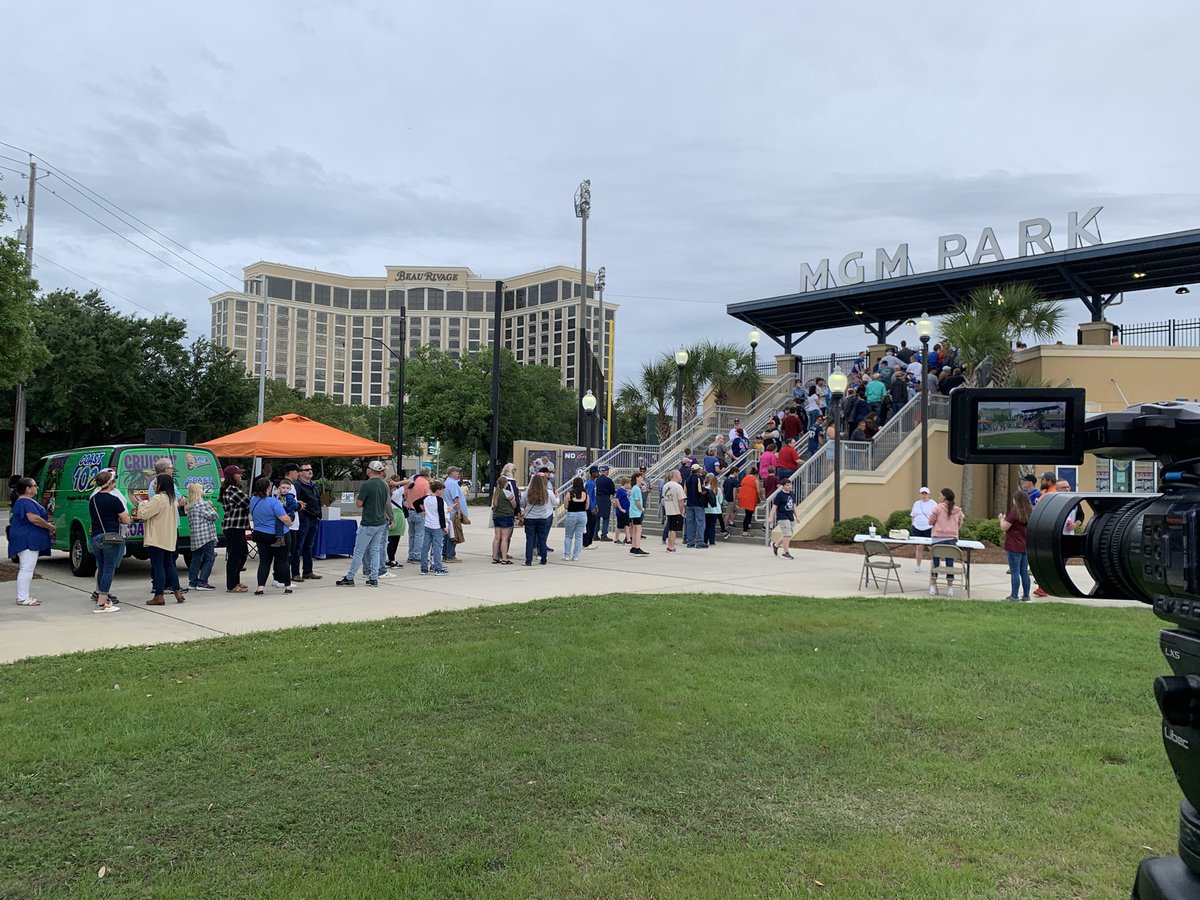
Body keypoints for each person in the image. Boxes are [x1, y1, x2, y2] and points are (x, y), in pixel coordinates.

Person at [336, 460, 389, 587]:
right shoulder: (384, 485)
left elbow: (358, 504)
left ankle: (350, 577)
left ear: (370, 470)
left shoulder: (367, 485)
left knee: (359, 551)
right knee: (375, 550)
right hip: (380, 521)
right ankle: (374, 577)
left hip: (368, 522)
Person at [138, 473, 187, 605]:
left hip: (156, 537)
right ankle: (177, 591)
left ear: (161, 485)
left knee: (158, 566)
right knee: (169, 564)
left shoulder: (157, 499)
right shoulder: (172, 499)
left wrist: (142, 504)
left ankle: (159, 595)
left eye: (155, 483)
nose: (153, 486)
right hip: (169, 537)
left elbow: (143, 514)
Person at [89, 470, 130, 613]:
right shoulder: (114, 499)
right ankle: (101, 603)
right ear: (110, 483)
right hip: (111, 537)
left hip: (96, 537)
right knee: (108, 569)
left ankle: (101, 598)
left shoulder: (93, 499)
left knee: (101, 567)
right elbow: (126, 519)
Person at [9, 476, 54, 606]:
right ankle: (23, 597)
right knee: (26, 568)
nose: (37, 487)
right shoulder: (25, 502)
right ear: (28, 489)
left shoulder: (24, 501)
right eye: (34, 485)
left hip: (26, 537)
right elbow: (34, 518)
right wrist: (49, 526)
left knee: (27, 568)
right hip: (27, 539)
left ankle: (23, 596)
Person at [249, 475, 293, 595]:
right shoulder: (274, 502)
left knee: (264, 561)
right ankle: (287, 586)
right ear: (269, 488)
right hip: (277, 535)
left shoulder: (253, 500)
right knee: (282, 560)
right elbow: (284, 519)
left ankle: (260, 587)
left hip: (260, 533)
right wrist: (290, 522)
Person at [927, 487, 964, 596]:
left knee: (935, 563)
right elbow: (960, 523)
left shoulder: (937, 508)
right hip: (951, 540)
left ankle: (933, 586)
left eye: (940, 495)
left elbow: (930, 522)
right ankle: (950, 588)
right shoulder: (958, 510)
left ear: (944, 497)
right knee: (949, 563)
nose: (939, 497)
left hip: (937, 540)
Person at [219, 466, 250, 593]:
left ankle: (235, 581)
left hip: (237, 526)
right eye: (238, 474)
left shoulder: (230, 489)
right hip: (234, 526)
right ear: (232, 476)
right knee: (235, 556)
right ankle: (231, 585)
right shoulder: (232, 490)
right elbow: (248, 502)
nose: (241, 476)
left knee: (242, 553)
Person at [1000, 489, 1033, 601]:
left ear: (1016, 500)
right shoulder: (1030, 512)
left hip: (1013, 545)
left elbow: (1004, 527)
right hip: (1025, 546)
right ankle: (1026, 595)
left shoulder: (1015, 512)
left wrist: (1001, 519)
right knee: (1024, 571)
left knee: (1015, 571)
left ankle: (1014, 596)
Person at [185, 482, 218, 591]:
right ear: (199, 492)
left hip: (195, 536)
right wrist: (210, 506)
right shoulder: (202, 504)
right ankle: (202, 582)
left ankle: (192, 582)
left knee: (196, 559)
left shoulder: (189, 505)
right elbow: (214, 516)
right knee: (210, 558)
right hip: (206, 535)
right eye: (202, 489)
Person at [293, 462, 323, 582]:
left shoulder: (314, 485)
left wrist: (319, 514)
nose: (310, 471)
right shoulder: (297, 485)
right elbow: (295, 502)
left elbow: (318, 500)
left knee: (309, 546)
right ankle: (295, 573)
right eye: (306, 470)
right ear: (300, 473)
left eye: (310, 469)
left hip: (314, 518)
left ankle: (308, 571)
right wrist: (302, 516)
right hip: (304, 518)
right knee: (298, 546)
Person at [521, 471, 557, 565]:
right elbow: (555, 503)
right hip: (542, 517)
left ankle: (528, 560)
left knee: (530, 539)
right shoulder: (547, 492)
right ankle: (543, 559)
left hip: (530, 518)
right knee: (542, 539)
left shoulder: (528, 492)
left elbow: (522, 503)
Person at [420, 480, 450, 576]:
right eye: (442, 490)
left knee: (425, 546)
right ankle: (438, 568)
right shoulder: (440, 500)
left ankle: (423, 568)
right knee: (437, 547)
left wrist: (421, 511)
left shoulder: (426, 498)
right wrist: (444, 526)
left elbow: (416, 503)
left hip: (428, 525)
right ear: (438, 490)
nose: (442, 492)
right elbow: (441, 515)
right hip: (437, 526)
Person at [491, 463, 519, 565]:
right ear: (506, 483)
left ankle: (495, 556)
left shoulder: (496, 493)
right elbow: (514, 504)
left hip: (496, 516)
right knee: (505, 538)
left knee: (497, 537)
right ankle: (504, 558)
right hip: (506, 516)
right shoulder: (508, 493)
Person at [405, 467, 432, 564]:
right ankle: (417, 555)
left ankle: (411, 555)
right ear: (428, 474)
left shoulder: (413, 481)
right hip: (420, 511)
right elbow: (427, 498)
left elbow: (406, 495)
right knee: (419, 535)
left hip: (410, 510)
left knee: (412, 535)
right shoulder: (426, 483)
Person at [441, 467, 465, 564]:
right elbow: (455, 499)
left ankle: (445, 554)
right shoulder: (453, 484)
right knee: (453, 534)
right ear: (451, 473)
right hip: (453, 512)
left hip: (448, 512)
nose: (458, 473)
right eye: (457, 471)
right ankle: (450, 555)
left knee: (447, 534)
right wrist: (459, 511)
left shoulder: (446, 482)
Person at [768, 476, 796, 559]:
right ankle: (785, 552)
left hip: (790, 516)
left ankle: (776, 545)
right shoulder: (779, 495)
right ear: (783, 486)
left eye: (790, 484)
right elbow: (774, 507)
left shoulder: (792, 494)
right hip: (782, 517)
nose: (789, 486)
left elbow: (794, 505)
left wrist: (797, 516)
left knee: (789, 534)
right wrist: (771, 517)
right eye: (787, 485)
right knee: (787, 534)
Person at [909, 486, 936, 573]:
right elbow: (913, 515)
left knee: (931, 547)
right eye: (922, 493)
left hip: (929, 528)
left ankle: (936, 564)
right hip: (917, 527)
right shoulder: (916, 503)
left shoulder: (933, 503)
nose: (924, 495)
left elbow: (936, 515)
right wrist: (913, 524)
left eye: (925, 494)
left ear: (928, 494)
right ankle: (918, 565)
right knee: (919, 547)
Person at [562, 476, 588, 560]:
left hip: (571, 514)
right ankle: (576, 556)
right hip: (582, 514)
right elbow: (587, 507)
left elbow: (566, 506)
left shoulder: (569, 494)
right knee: (579, 536)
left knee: (568, 536)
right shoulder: (585, 494)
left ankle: (567, 555)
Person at [660, 470, 685, 553]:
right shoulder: (678, 486)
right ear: (676, 476)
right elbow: (681, 500)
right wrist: (681, 511)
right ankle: (671, 547)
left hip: (669, 510)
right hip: (675, 510)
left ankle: (669, 546)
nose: (681, 477)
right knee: (673, 530)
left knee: (670, 529)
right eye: (680, 475)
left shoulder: (665, 486)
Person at [684, 464, 708, 549]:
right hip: (698, 503)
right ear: (698, 470)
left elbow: (685, 492)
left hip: (689, 503)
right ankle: (699, 542)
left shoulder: (687, 480)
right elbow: (701, 491)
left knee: (690, 523)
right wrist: (707, 492)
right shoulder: (699, 479)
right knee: (700, 522)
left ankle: (690, 541)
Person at [385, 474, 407, 569]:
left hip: (389, 513)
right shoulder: (398, 492)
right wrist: (397, 483)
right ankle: (392, 559)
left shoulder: (387, 493)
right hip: (397, 514)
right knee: (395, 539)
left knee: (390, 539)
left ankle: (390, 559)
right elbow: (410, 481)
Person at [628, 472, 648, 556]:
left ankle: (633, 547)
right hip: (636, 512)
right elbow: (637, 501)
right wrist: (641, 508)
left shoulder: (634, 488)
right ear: (637, 478)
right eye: (641, 477)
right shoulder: (636, 488)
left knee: (635, 529)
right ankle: (637, 548)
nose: (642, 478)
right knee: (638, 529)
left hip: (633, 511)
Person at [595, 465, 616, 540]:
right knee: (606, 517)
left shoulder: (597, 480)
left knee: (597, 517)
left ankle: (595, 535)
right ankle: (604, 534)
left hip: (597, 498)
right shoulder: (608, 480)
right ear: (607, 471)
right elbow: (612, 491)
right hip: (605, 499)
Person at [737, 469, 760, 535]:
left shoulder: (745, 478)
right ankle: (745, 530)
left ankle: (748, 524)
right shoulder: (755, 479)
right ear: (756, 474)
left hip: (743, 495)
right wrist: (760, 497)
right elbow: (758, 490)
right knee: (748, 514)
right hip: (751, 497)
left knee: (747, 512)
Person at [703, 473, 723, 547]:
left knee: (706, 526)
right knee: (712, 526)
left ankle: (705, 540)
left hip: (707, 509)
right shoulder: (718, 490)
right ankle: (712, 541)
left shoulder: (706, 488)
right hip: (716, 510)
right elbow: (720, 501)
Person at [582, 466, 600, 549]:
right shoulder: (590, 484)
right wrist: (592, 507)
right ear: (592, 473)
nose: (598, 473)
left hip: (593, 505)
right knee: (589, 525)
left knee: (592, 525)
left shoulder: (594, 483)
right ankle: (586, 543)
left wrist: (596, 506)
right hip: (589, 508)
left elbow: (594, 496)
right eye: (596, 472)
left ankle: (589, 542)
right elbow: (588, 496)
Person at [613, 476, 631, 545]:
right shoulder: (620, 490)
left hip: (626, 510)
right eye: (628, 484)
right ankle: (616, 539)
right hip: (621, 511)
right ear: (625, 483)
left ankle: (628, 539)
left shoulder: (626, 491)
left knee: (627, 525)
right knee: (619, 526)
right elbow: (617, 500)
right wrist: (620, 508)